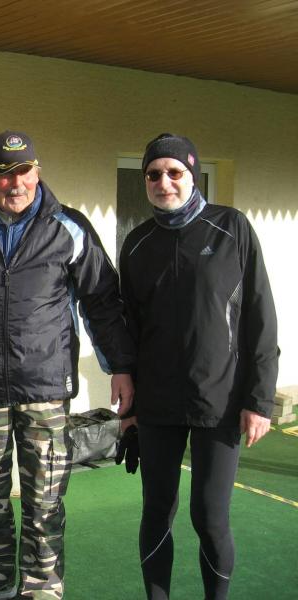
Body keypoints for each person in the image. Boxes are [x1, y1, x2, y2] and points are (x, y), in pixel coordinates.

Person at [0, 131, 136, 600]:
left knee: (45, 499)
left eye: (24, 171)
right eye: (4, 173)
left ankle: (41, 586)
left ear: (37, 172)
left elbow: (102, 302)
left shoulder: (68, 227)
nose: (15, 183)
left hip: (45, 388)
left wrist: (120, 366)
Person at [117, 133, 278, 600]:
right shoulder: (137, 244)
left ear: (193, 175)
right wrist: (130, 408)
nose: (163, 182)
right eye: (153, 174)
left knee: (209, 516)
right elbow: (130, 330)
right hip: (157, 403)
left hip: (220, 399)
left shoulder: (232, 228)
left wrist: (259, 399)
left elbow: (261, 317)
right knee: (156, 512)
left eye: (175, 172)